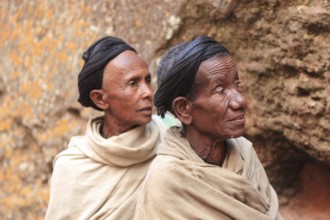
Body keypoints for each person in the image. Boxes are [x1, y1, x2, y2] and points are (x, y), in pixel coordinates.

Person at [134, 36, 283, 220]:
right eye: (220, 90)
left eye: (237, 85)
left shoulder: (244, 152)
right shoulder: (166, 181)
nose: (240, 101)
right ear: (184, 109)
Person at [45, 36, 176, 219]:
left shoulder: (171, 130)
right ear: (100, 99)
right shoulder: (72, 166)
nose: (148, 92)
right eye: (133, 84)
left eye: (147, 80)